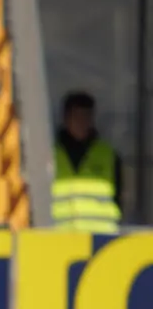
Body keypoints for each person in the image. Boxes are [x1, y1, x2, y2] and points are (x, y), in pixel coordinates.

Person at [52, 91, 122, 233]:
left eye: (86, 117)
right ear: (66, 119)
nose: (81, 122)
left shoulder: (108, 155)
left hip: (100, 237)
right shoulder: (49, 155)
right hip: (58, 236)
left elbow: (119, 199)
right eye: (76, 117)